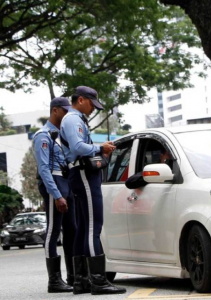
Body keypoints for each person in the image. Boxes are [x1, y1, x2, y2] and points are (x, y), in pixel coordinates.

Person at [60, 86, 126, 295]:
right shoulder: (72, 119)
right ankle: (98, 281)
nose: (92, 109)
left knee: (83, 228)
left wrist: (99, 147)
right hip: (83, 173)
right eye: (91, 104)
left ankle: (81, 281)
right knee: (93, 226)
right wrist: (100, 148)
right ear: (81, 100)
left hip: (81, 174)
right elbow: (78, 147)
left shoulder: (75, 119)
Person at [33, 97, 77, 293]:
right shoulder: (43, 135)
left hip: (67, 183)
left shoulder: (62, 135)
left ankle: (74, 276)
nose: (68, 114)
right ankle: (54, 280)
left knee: (72, 230)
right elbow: (44, 169)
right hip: (55, 185)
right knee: (53, 231)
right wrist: (57, 195)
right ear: (55, 111)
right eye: (65, 110)